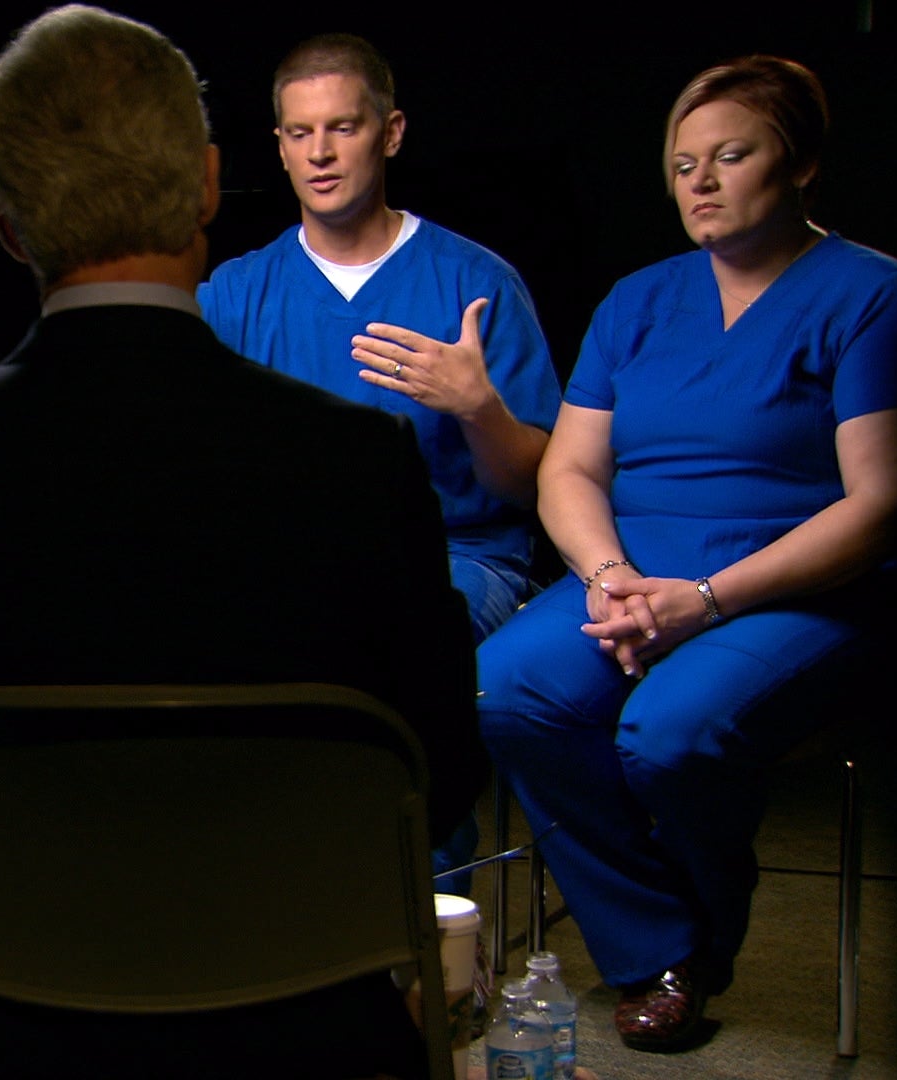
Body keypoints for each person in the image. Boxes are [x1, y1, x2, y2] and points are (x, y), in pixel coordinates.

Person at [0, 7, 485, 1076]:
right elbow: (439, 773)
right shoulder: (361, 462)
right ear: (210, 185)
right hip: (300, 1016)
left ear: (6, 226)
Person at [475, 55, 897, 1053]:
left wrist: (707, 600)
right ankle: (661, 948)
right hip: (634, 575)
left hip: (796, 587)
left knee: (670, 732)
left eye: (732, 156)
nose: (702, 183)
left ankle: (693, 945)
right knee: (506, 688)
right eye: (684, 165)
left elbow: (882, 504)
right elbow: (569, 470)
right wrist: (609, 577)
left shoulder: (873, 295)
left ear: (800, 163)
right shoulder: (638, 301)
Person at [197, 32, 561, 894]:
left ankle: (423, 921)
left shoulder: (473, 284)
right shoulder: (236, 295)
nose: (320, 153)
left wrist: (478, 407)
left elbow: (533, 486)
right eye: (299, 133)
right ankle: (271, 911)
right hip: (286, 566)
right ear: (279, 146)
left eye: (343, 128)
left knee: (390, 658)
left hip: (454, 559)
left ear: (390, 133)